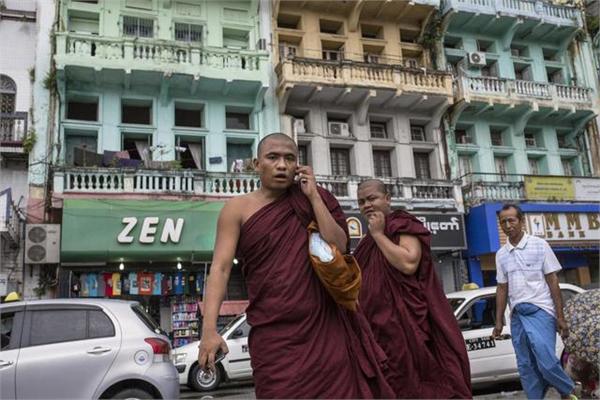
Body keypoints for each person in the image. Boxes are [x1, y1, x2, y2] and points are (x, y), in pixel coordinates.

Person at [198, 133, 394, 398]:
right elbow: (220, 269)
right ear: (257, 164)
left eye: (289, 158)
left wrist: (313, 198)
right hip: (275, 338)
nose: (282, 165)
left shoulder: (312, 199)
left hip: (326, 329)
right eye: (273, 157)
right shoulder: (237, 209)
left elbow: (340, 245)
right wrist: (209, 330)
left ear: (298, 165)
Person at [353, 179, 472, 399]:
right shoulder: (366, 241)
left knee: (418, 385)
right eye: (361, 202)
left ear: (387, 199)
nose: (367, 205)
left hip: (406, 328)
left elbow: (408, 264)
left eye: (372, 199)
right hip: (379, 330)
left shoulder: (401, 224)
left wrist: (379, 235)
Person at [492, 203, 577, 400]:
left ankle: (570, 390)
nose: (507, 225)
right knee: (526, 366)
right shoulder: (501, 254)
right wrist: (498, 320)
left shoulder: (540, 245)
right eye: (503, 221)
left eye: (511, 220)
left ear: (521, 221)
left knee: (546, 361)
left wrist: (560, 316)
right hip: (517, 316)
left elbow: (553, 280)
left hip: (541, 311)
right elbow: (502, 287)